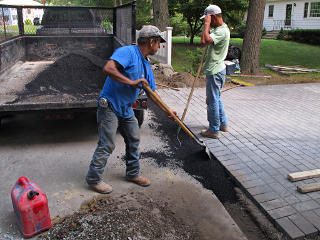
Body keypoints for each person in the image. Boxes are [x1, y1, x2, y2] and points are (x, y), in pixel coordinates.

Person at [86, 25, 176, 194]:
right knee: (107, 144)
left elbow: (153, 92)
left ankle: (132, 174)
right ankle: (93, 179)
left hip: (126, 108)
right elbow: (108, 69)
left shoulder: (146, 65)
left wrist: (167, 110)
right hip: (110, 106)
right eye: (159, 43)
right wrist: (132, 82)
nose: (159, 46)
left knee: (134, 139)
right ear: (151, 41)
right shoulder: (128, 52)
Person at [200, 4, 230, 139]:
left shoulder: (222, 31)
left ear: (213, 17)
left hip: (215, 70)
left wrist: (207, 24)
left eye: (207, 18)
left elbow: (206, 39)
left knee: (212, 101)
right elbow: (203, 41)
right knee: (216, 99)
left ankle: (214, 130)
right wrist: (207, 26)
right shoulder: (218, 29)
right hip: (215, 69)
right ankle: (223, 124)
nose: (206, 21)